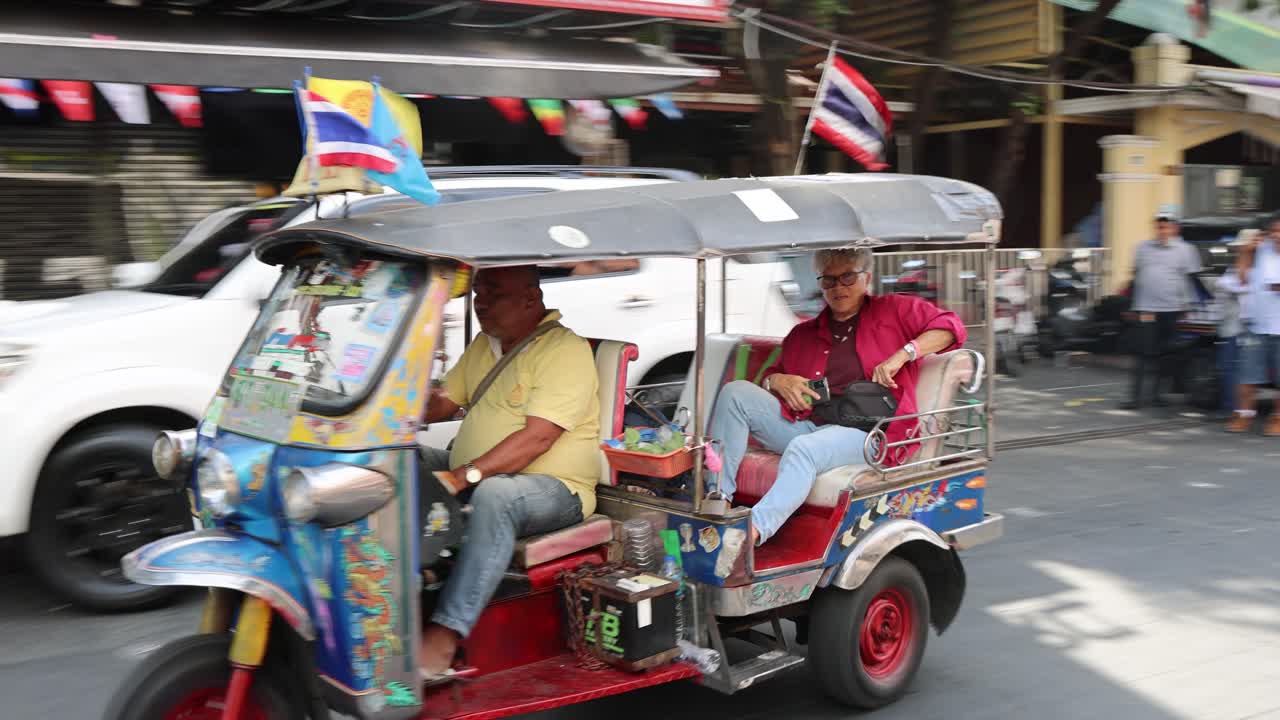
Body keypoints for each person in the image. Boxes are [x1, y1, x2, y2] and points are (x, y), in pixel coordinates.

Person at [709, 248, 966, 547]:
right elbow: (772, 377)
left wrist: (903, 354)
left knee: (804, 450)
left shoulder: (893, 311)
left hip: (872, 434)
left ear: (866, 278)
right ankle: (720, 502)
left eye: (847, 277)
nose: (838, 287)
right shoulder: (803, 334)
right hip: (808, 424)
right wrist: (777, 380)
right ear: (820, 285)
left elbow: (951, 327)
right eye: (829, 281)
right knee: (735, 393)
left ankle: (752, 532)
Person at [417, 266, 601, 679]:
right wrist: (401, 391)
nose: (480, 302)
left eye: (493, 293)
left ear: (530, 300)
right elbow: (443, 404)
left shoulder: (563, 350)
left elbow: (537, 439)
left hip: (556, 489)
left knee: (495, 495)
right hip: (477, 471)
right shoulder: (487, 343)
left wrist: (462, 477)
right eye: (478, 292)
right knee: (399, 458)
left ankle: (446, 634)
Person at [1120, 210, 1204, 410]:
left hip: (1173, 309)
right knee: (1142, 353)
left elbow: (1192, 280)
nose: (1162, 230)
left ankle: (1157, 395)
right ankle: (1134, 398)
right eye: (1159, 226)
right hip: (1146, 309)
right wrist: (1130, 304)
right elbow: (1136, 276)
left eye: (1166, 226)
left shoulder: (1187, 250)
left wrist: (1191, 306)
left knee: (1165, 354)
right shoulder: (1141, 248)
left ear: (1175, 228)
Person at [1227, 215, 1280, 435]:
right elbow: (1241, 279)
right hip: (1256, 324)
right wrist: (1246, 252)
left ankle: (1277, 418)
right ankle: (1244, 414)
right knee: (1248, 374)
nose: (1277, 236)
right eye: (1274, 231)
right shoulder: (1260, 250)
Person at [1217, 230, 1260, 419]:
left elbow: (1238, 287)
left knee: (1237, 370)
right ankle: (1234, 408)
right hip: (1234, 328)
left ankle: (1237, 410)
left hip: (1247, 329)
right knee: (1231, 369)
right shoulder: (1234, 269)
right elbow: (1225, 284)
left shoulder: (1258, 270)